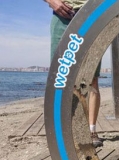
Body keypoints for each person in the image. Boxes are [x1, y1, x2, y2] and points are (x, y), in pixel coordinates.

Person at [45, 0, 103, 147]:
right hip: (63, 16)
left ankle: (91, 131)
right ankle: (65, 131)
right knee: (61, 77)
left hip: (93, 16)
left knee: (92, 79)